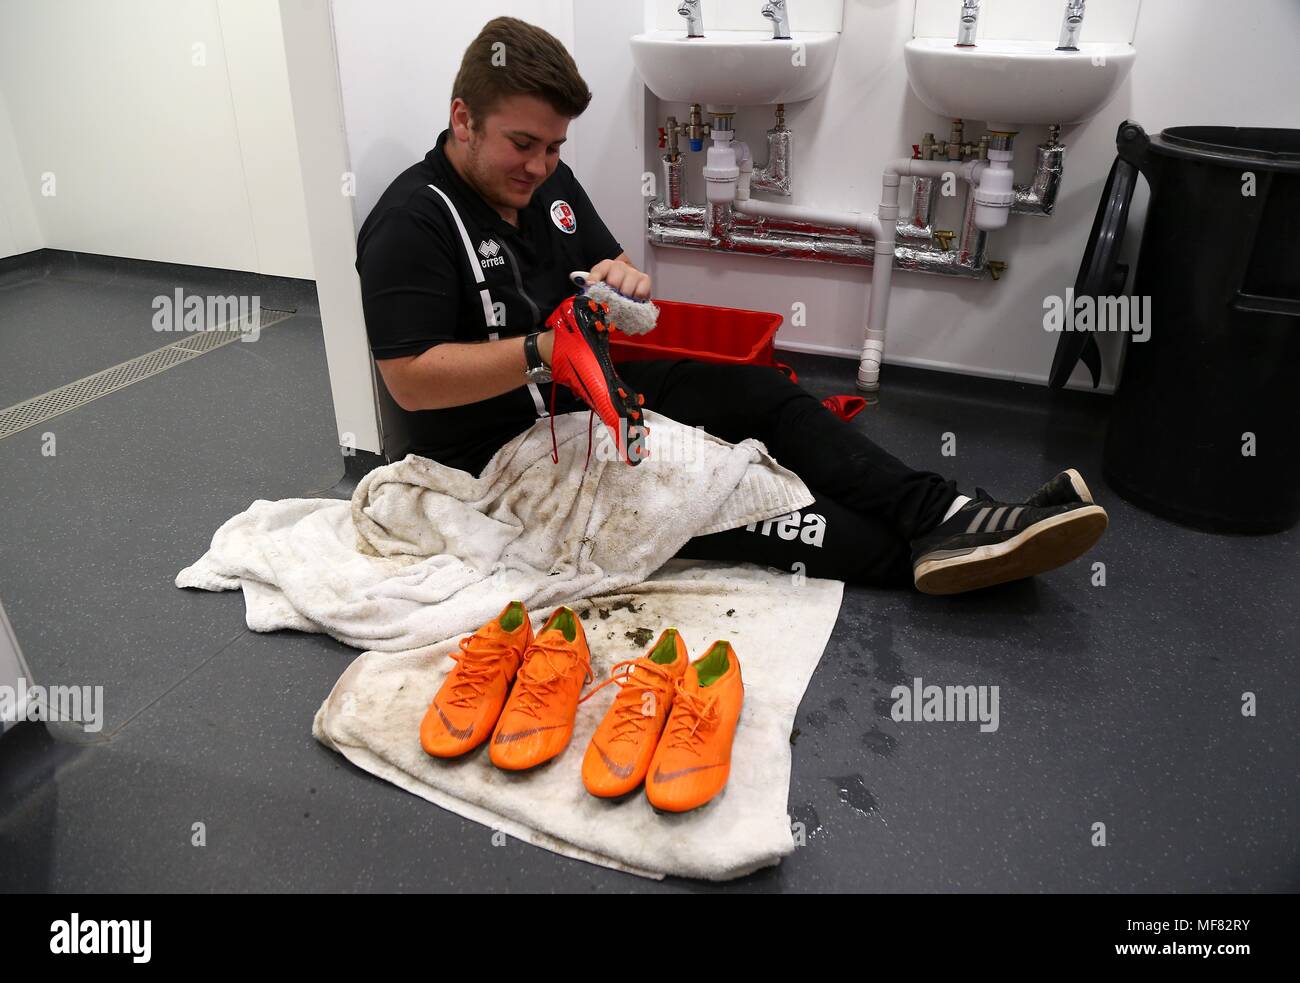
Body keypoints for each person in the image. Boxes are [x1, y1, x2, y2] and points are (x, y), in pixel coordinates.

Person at [355, 16, 1107, 596]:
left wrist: (621, 278)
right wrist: (540, 354)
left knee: (760, 392)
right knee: (724, 494)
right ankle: (924, 559)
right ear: (462, 119)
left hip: (579, 399)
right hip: (499, 457)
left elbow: (602, 260)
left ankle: (939, 514)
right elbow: (411, 379)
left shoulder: (544, 185)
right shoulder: (411, 223)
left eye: (553, 147)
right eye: (523, 144)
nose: (541, 165)